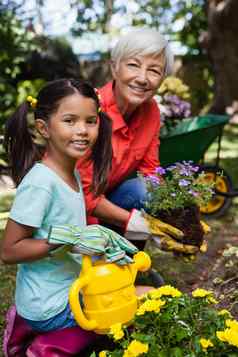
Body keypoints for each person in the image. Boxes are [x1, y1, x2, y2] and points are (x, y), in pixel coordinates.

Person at [0, 79, 117, 356]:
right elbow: (9, 251)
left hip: (66, 288)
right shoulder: (42, 183)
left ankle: (26, 325)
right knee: (124, 309)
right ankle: (46, 347)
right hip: (49, 303)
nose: (82, 131)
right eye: (69, 120)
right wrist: (62, 239)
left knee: (122, 285)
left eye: (90, 121)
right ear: (44, 128)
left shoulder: (71, 173)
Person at [76, 28, 199, 267]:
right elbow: (83, 196)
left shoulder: (151, 111)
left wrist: (175, 215)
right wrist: (140, 223)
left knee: (146, 191)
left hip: (106, 199)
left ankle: (131, 264)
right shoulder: (90, 111)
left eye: (154, 70)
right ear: (114, 68)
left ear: (162, 79)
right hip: (68, 211)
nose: (142, 78)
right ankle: (104, 261)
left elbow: (151, 173)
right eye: (133, 65)